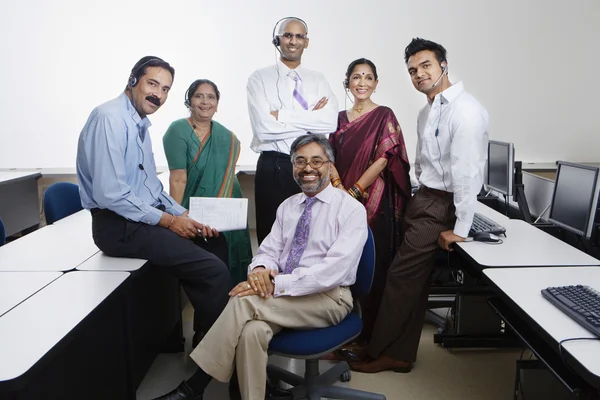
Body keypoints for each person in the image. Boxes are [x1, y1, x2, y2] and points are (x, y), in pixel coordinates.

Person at [152, 134, 368, 400]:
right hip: (281, 294)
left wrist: (274, 284)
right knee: (252, 332)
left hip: (328, 298)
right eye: (300, 161)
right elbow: (268, 250)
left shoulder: (350, 209)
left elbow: (331, 272)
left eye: (316, 161)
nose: (308, 168)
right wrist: (259, 272)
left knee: (243, 301)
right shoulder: (288, 206)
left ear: (330, 166)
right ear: (292, 167)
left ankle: (194, 387)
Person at [350, 38, 489, 373]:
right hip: (423, 197)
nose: (419, 74)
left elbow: (467, 174)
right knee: (404, 276)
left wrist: (461, 229)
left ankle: (388, 353)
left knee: (401, 276)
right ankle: (386, 345)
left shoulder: (465, 111)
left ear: (443, 65)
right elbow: (427, 165)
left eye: (426, 65)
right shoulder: (428, 111)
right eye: (412, 70)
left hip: (440, 204)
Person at [76, 56, 231, 349]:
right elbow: (112, 195)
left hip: (138, 219)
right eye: (152, 84)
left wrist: (184, 214)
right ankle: (215, 360)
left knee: (215, 242)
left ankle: (205, 337)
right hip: (118, 227)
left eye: (165, 89)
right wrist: (172, 222)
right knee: (214, 271)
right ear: (133, 80)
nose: (157, 94)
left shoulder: (138, 124)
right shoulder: (110, 118)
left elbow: (151, 188)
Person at [329, 58, 412, 348]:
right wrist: (339, 188)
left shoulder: (384, 115)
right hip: (337, 202)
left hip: (374, 203)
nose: (362, 82)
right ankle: (337, 333)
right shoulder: (336, 117)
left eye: (368, 77)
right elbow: (326, 157)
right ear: (347, 82)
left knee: (372, 266)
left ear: (376, 83)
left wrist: (354, 190)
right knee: (338, 262)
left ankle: (369, 337)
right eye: (356, 77)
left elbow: (384, 157)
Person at [247, 16, 338, 244]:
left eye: (299, 36)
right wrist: (310, 121)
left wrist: (282, 115)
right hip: (274, 164)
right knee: (272, 236)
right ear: (277, 40)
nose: (293, 41)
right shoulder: (259, 78)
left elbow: (329, 123)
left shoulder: (319, 80)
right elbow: (264, 128)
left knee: (311, 235)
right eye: (288, 35)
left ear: (306, 42)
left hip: (311, 166)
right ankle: (270, 280)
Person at [163, 79, 253, 284]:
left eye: (211, 97)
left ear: (217, 104)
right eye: (199, 96)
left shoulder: (227, 137)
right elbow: (177, 178)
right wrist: (176, 218)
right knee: (204, 274)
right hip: (192, 212)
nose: (205, 102)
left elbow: (227, 175)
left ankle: (233, 308)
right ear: (189, 101)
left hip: (227, 208)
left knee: (230, 263)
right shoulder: (177, 130)